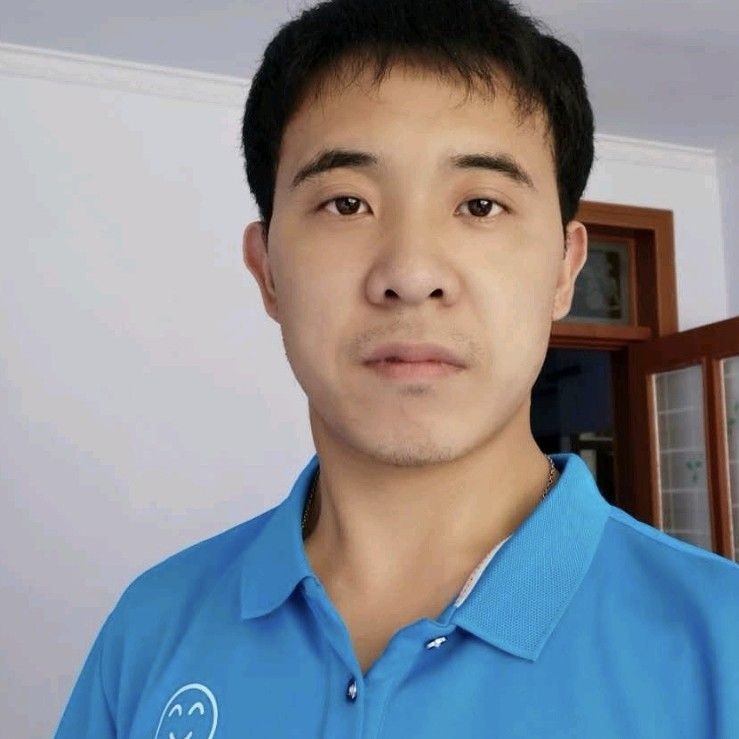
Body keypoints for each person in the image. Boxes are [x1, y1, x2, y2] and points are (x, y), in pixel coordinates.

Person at [55, 0, 739, 736]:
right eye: (346, 203)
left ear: (563, 270)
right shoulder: (152, 628)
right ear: (267, 271)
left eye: (481, 205)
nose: (411, 275)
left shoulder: (719, 645)